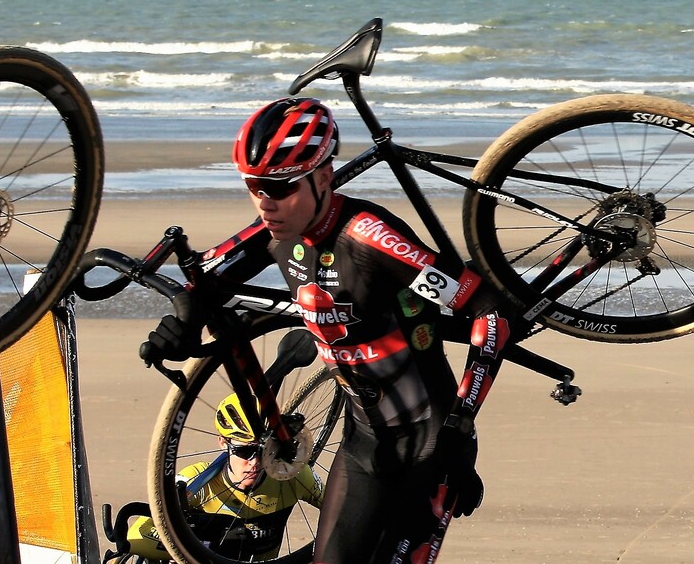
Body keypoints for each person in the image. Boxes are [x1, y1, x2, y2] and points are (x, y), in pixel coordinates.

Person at [147, 97, 520, 563]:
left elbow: (490, 313)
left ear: (323, 177)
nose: (266, 204)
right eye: (254, 186)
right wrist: (181, 324)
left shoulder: (371, 240)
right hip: (363, 443)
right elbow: (204, 285)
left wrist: (459, 433)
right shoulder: (276, 235)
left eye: (280, 188)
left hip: (430, 444)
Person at [110, 393, 324, 563]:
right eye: (244, 451)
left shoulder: (293, 475)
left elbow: (345, 509)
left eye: (264, 451)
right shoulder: (196, 481)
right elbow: (139, 534)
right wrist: (207, 542)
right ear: (223, 442)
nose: (255, 462)